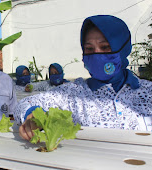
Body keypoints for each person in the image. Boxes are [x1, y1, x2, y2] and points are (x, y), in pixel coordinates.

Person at [14, 15, 152, 141]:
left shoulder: (148, 91)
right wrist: (33, 116)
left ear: (123, 49)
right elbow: (25, 103)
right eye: (90, 49)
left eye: (105, 47)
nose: (97, 55)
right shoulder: (74, 93)